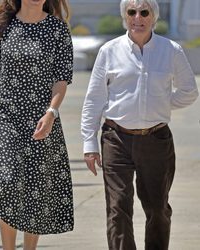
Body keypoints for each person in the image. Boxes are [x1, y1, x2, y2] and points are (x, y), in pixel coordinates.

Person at [81, 0, 199, 249]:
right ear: (125, 16)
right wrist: (89, 143)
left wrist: (162, 105)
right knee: (117, 208)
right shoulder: (109, 51)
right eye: (131, 12)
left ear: (153, 16)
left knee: (158, 209)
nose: (137, 17)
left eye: (144, 12)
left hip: (156, 140)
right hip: (116, 138)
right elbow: (94, 99)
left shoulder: (171, 50)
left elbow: (189, 90)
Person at [0, 0, 74, 249]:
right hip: (5, 117)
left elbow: (61, 79)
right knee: (8, 182)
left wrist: (52, 112)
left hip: (41, 119)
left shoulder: (57, 29)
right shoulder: (2, 26)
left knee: (35, 187)